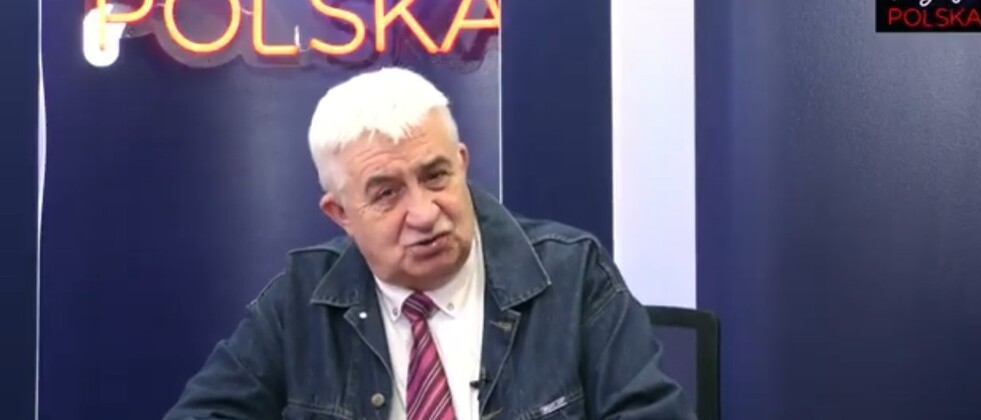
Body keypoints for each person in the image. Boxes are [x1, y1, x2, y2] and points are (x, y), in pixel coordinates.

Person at [163, 67, 696, 420]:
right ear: (341, 213)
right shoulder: (300, 302)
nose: (424, 214)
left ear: (461, 164)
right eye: (387, 193)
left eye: (436, 176)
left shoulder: (573, 275)